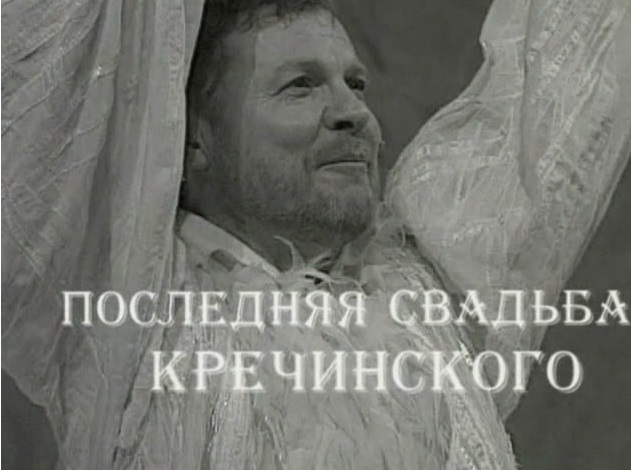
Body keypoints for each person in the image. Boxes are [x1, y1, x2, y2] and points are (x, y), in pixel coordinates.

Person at [2, 0, 629, 468]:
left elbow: (565, 76)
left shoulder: (435, 301)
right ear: (191, 138)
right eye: (300, 86)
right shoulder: (125, 315)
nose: (354, 113)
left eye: (356, 84)